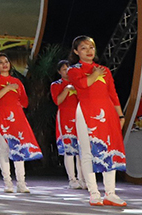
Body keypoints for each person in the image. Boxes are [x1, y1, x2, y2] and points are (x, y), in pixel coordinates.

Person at [66, 36, 127, 206]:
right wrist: (94, 74)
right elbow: (83, 85)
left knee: (109, 150)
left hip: (107, 113)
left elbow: (113, 95)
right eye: (84, 48)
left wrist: (120, 116)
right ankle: (94, 193)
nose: (89, 51)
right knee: (87, 152)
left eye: (91, 47)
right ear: (76, 52)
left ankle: (111, 193)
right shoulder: (74, 70)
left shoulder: (104, 70)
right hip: (86, 112)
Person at [0, 53, 42, 194]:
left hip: (17, 117)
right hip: (1, 116)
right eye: (1, 62)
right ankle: (7, 182)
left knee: (19, 148)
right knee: (4, 149)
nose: (4, 64)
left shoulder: (17, 82)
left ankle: (21, 182)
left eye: (6, 61)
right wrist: (6, 89)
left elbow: (24, 102)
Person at [51, 60, 84, 190]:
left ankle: (83, 179)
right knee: (69, 150)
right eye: (64, 69)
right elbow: (57, 100)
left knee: (81, 150)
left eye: (68, 69)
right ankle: (72, 179)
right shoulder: (56, 84)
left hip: (79, 117)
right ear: (59, 72)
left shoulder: (79, 83)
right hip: (65, 118)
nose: (67, 71)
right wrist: (67, 89)